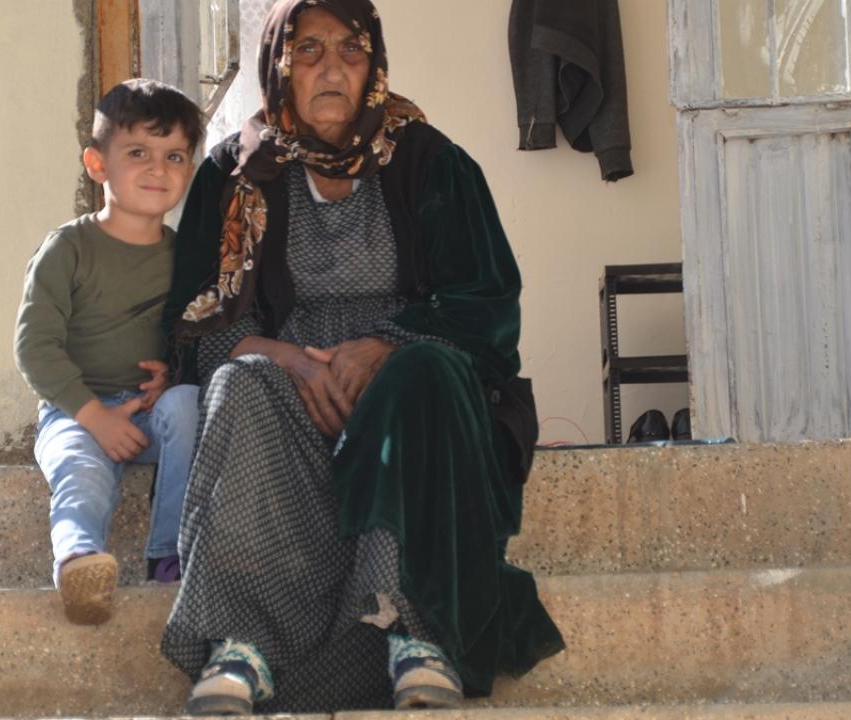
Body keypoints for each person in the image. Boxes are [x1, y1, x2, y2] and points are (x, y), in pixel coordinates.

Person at [159, 0, 565, 713]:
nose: (331, 69)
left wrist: (385, 347)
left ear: (373, 64)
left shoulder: (433, 162)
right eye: (309, 50)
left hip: (413, 392)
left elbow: (488, 304)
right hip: (296, 392)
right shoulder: (234, 173)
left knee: (418, 375)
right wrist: (294, 361)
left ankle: (414, 632)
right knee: (240, 382)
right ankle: (244, 643)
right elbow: (197, 322)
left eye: (350, 50)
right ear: (279, 65)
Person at [14, 79, 203, 625]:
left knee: (189, 405)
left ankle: (170, 557)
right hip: (76, 412)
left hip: (148, 414)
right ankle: (79, 560)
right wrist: (93, 415)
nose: (158, 168)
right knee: (79, 471)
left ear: (189, 171)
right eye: (138, 152)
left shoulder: (186, 257)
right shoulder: (68, 249)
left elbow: (195, 331)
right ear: (97, 164)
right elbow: (34, 345)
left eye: (174, 156)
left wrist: (172, 374)